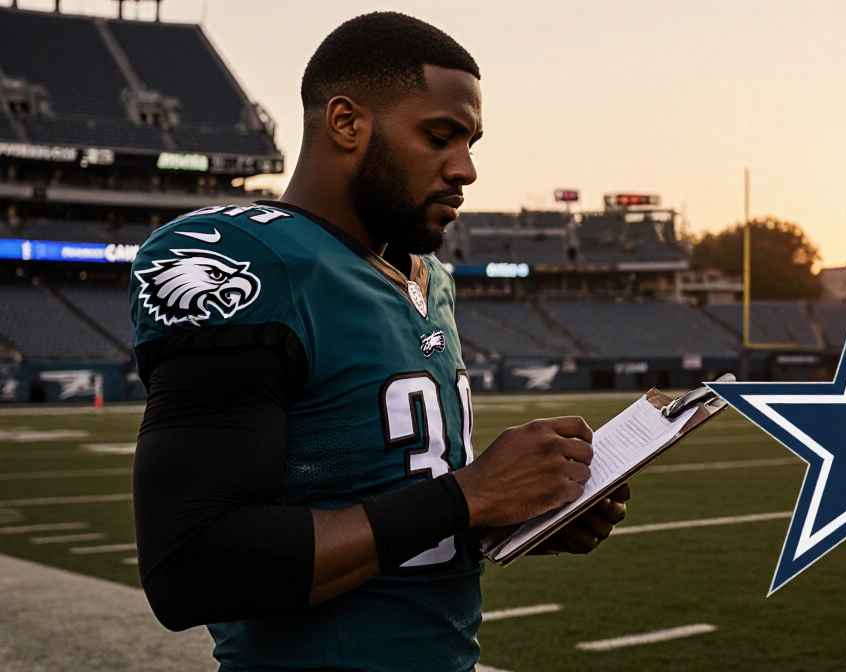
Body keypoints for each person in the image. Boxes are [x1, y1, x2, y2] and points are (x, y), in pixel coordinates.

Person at [129, 12, 629, 672]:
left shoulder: (430, 279)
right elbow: (192, 563)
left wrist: (507, 516)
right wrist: (468, 494)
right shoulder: (253, 261)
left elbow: (384, 493)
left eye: (472, 141)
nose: (467, 168)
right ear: (346, 123)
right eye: (440, 136)